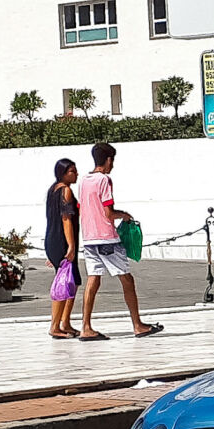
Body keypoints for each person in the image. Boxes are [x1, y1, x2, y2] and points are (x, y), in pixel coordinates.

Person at [75, 141, 161, 340]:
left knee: (93, 279)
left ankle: (86, 326)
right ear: (108, 160)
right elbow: (108, 212)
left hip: (88, 237)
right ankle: (138, 324)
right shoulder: (104, 180)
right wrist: (125, 215)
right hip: (106, 237)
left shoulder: (84, 181)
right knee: (126, 279)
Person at [44, 157, 80, 339]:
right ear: (63, 173)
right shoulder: (65, 190)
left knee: (73, 281)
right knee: (64, 282)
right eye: (72, 171)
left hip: (52, 239)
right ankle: (55, 325)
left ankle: (65, 322)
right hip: (62, 241)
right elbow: (66, 219)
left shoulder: (52, 190)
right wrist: (71, 246)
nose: (76, 174)